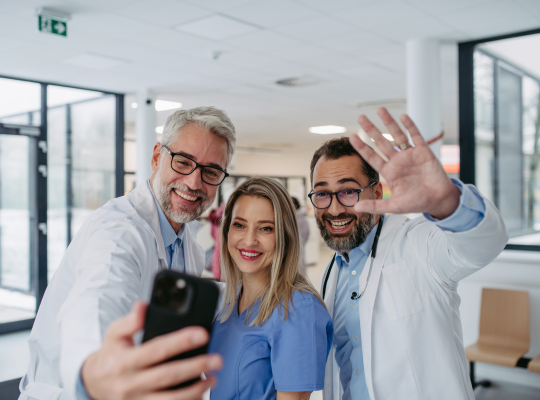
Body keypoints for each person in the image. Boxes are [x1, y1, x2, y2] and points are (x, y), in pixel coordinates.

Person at [19, 107, 236, 400]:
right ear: (157, 157)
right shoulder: (118, 231)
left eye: (211, 171)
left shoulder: (187, 242)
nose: (194, 183)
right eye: (183, 162)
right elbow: (96, 302)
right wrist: (96, 373)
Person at [312, 108, 508, 400]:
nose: (335, 208)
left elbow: (484, 243)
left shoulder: (416, 243)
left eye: (349, 191)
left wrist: (447, 203)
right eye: (322, 193)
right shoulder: (332, 272)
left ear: (377, 193)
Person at [209, 177, 333, 400]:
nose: (249, 240)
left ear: (284, 236)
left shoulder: (297, 310)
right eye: (239, 225)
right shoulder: (228, 304)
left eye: (265, 228)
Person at [292, 196, 310, 274]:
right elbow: (307, 234)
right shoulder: (304, 219)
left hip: (293, 254)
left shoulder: (292, 220)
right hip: (301, 251)